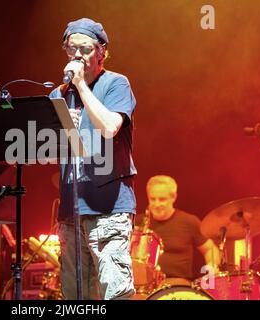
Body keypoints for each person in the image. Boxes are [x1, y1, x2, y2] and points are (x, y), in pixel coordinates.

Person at [49, 18, 137, 300]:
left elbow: (111, 127)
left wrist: (82, 88)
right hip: (71, 211)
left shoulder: (116, 84)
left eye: (85, 48)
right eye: (71, 48)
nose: (77, 55)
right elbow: (48, 152)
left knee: (115, 293)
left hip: (109, 208)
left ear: (101, 52)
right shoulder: (58, 95)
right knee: (75, 296)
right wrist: (61, 132)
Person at [140, 175, 220, 283]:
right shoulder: (139, 222)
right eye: (152, 199)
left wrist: (212, 267)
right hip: (145, 285)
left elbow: (209, 249)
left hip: (178, 285)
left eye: (162, 199)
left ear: (173, 197)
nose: (157, 204)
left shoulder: (189, 221)